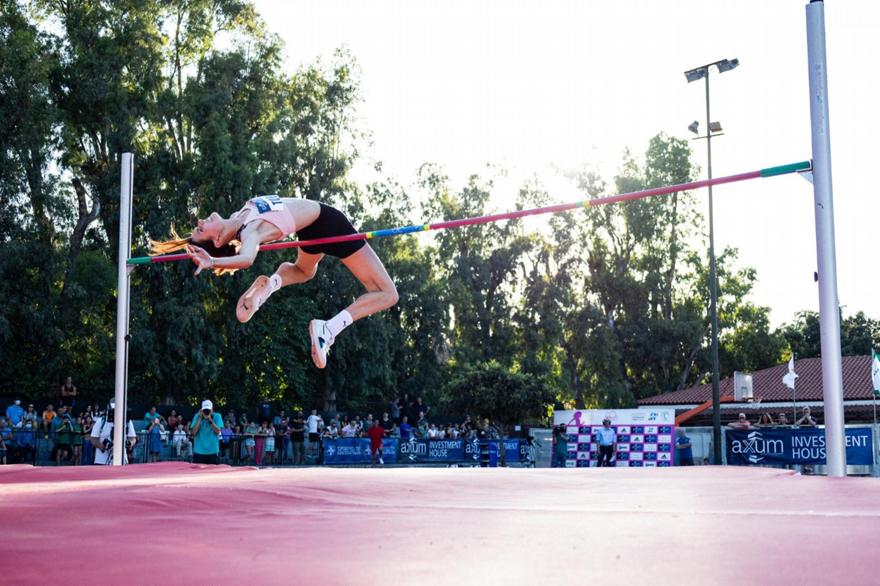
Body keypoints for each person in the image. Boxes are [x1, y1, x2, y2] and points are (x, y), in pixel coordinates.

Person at [150, 196, 399, 369]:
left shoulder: (239, 217)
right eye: (201, 230)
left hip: (311, 228)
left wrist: (211, 255)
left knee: (304, 271)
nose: (200, 222)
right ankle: (329, 329)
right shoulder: (249, 231)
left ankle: (272, 284)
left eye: (198, 227)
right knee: (388, 294)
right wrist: (213, 262)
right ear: (216, 240)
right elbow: (247, 258)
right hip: (329, 223)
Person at [90, 400, 137, 465]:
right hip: (102, 461)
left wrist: (129, 443)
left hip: (122, 460)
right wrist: (102, 446)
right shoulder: (101, 421)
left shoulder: (127, 422)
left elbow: (133, 438)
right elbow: (93, 439)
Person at [190, 400, 223, 465]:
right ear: (201, 410)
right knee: (197, 471)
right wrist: (200, 418)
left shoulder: (217, 416)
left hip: (213, 451)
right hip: (199, 451)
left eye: (208, 410)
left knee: (214, 471)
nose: (206, 411)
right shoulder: (197, 416)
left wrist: (210, 419)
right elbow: (193, 432)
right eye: (205, 410)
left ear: (212, 409)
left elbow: (217, 431)